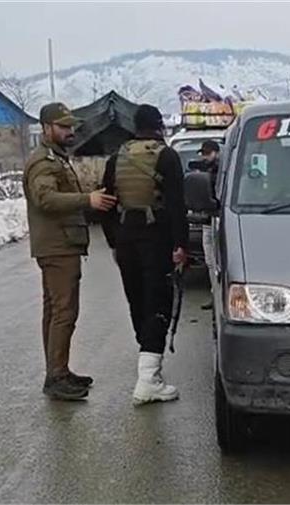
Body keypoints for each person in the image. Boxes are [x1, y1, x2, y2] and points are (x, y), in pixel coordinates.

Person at [23, 102, 117, 401]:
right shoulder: (44, 162)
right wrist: (87, 200)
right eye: (63, 126)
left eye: (71, 126)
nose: (70, 131)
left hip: (60, 243)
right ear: (46, 127)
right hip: (57, 246)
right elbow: (46, 199)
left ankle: (58, 370)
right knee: (64, 311)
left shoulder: (56, 158)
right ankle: (57, 376)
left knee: (55, 310)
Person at [102, 104, 189, 405]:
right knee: (158, 302)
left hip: (126, 238)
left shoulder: (118, 157)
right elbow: (177, 205)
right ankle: (148, 379)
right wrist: (181, 245)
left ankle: (147, 364)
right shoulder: (166, 156)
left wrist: (114, 242)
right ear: (159, 125)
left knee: (137, 301)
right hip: (157, 238)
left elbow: (106, 203)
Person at [198, 140, 220, 310]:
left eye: (208, 153)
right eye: (203, 154)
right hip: (208, 219)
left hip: (218, 219)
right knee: (210, 262)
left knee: (215, 261)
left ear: (216, 152)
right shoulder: (206, 170)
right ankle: (215, 295)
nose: (205, 157)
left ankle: (218, 296)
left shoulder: (221, 170)